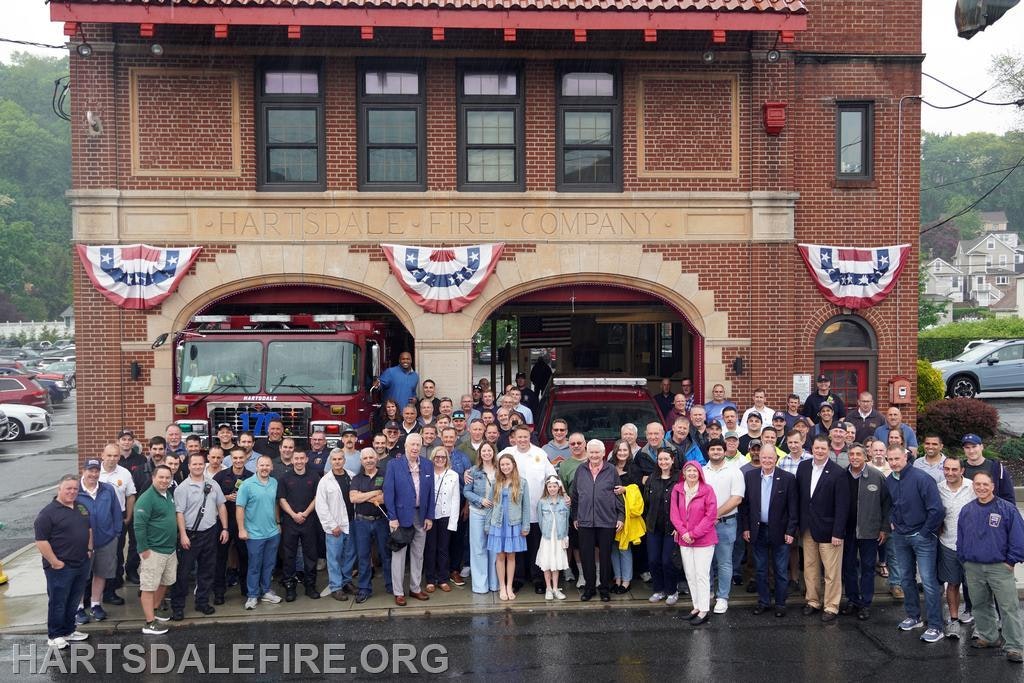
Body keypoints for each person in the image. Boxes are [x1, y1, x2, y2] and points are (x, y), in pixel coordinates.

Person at [957, 470, 1024, 663]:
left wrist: (1011, 560)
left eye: (985, 484)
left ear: (993, 486)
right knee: (979, 604)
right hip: (973, 567)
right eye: (977, 484)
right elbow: (961, 537)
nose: (981, 488)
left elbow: (1019, 537)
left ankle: (1015, 647)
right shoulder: (967, 509)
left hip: (999, 567)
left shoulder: (1007, 509)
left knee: (1008, 608)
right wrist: (964, 558)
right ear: (973, 486)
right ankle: (989, 636)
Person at [885, 444, 944, 643]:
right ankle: (913, 616)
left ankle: (936, 626)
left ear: (905, 457)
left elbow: (936, 510)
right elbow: (890, 505)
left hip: (922, 536)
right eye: (890, 459)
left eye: (896, 458)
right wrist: (893, 523)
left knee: (928, 581)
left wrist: (925, 533)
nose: (893, 462)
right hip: (900, 536)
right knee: (906, 578)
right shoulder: (889, 480)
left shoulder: (921, 479)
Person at [35, 475, 92, 650]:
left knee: (74, 600)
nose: (72, 492)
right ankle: (55, 635)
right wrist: (54, 561)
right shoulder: (47, 513)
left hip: (81, 562)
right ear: (59, 489)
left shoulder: (80, 507)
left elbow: (88, 529)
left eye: (75, 489)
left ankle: (69, 630)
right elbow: (41, 541)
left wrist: (89, 549)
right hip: (60, 567)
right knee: (58, 601)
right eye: (68, 488)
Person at [740, 446, 798, 617]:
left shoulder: (787, 478)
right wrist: (746, 528)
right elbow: (746, 506)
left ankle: (780, 603)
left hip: (780, 532)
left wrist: (790, 531)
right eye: (764, 457)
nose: (766, 461)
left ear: (776, 459)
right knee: (760, 569)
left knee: (780, 570)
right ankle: (764, 601)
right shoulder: (750, 477)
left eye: (770, 458)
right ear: (760, 457)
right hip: (758, 530)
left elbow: (793, 508)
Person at [796, 435, 849, 622]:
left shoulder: (838, 473)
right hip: (808, 528)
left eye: (823, 449)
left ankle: (831, 606)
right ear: (812, 449)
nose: (819, 452)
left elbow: (843, 506)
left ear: (828, 450)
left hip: (829, 530)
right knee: (810, 568)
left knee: (831, 571)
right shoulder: (803, 468)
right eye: (816, 448)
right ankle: (812, 601)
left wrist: (838, 532)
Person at [170, 452, 229, 620]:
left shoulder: (213, 484)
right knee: (183, 573)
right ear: (188, 466)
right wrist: (183, 535)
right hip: (190, 535)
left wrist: (224, 528)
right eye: (194, 464)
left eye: (200, 464)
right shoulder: (182, 488)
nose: (197, 467)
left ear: (205, 465)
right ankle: (178, 606)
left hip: (210, 532)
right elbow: (179, 513)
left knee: (207, 570)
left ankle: (202, 602)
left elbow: (221, 506)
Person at [501, 425, 556, 594]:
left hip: (536, 510)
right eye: (519, 437)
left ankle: (538, 578)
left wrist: (562, 494)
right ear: (513, 438)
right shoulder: (506, 454)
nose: (523, 440)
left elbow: (551, 476)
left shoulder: (539, 453)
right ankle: (517, 579)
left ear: (529, 436)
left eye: (525, 437)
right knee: (517, 547)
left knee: (536, 546)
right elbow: (492, 472)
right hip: (514, 512)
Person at [384, 433, 435, 606]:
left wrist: (429, 516)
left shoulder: (427, 465)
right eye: (412, 444)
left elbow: (430, 494)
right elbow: (389, 493)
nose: (415, 448)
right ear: (405, 446)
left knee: (418, 554)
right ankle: (398, 592)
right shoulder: (394, 464)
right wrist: (392, 517)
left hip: (421, 516)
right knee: (399, 555)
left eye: (417, 445)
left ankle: (415, 588)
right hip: (400, 517)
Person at [571, 439, 624, 602]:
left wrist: (620, 516)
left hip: (607, 520)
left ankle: (604, 589)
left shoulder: (611, 470)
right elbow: (575, 496)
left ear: (603, 453)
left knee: (605, 556)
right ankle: (589, 588)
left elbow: (618, 494)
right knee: (587, 556)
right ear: (587, 452)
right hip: (585, 520)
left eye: (597, 452)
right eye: (591, 452)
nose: (594, 455)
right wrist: (575, 516)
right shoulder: (580, 470)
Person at [842, 443, 890, 621]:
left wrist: (884, 528)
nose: (854, 457)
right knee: (848, 567)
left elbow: (886, 504)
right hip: (847, 531)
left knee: (868, 568)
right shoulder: (842, 476)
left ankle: (866, 603)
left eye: (858, 454)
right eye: (851, 454)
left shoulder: (877, 476)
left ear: (865, 456)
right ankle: (853, 600)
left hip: (869, 531)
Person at [75, 456, 123, 625]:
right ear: (83, 471)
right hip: (81, 544)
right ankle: (78, 607)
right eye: (90, 470)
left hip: (106, 541)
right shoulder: (75, 491)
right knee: (81, 576)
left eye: (96, 471)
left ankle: (96, 604)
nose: (93, 474)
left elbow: (116, 512)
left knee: (101, 573)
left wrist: (116, 533)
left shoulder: (108, 490)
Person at [671, 460, 718, 624]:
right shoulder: (677, 490)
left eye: (695, 471)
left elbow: (710, 516)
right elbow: (674, 515)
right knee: (690, 575)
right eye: (688, 470)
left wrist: (694, 533)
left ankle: (704, 610)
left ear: (700, 473)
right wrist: (684, 533)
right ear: (684, 473)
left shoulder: (707, 490)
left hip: (704, 540)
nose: (691, 473)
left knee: (701, 575)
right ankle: (696, 606)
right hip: (685, 540)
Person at [134, 464, 179, 635]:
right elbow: (139, 525)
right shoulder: (146, 498)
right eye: (161, 477)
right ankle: (149, 622)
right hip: (153, 551)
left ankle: (155, 610)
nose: (164, 480)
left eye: (167, 477)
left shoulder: (168, 495)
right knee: (148, 586)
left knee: (165, 582)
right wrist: (143, 549)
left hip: (169, 550)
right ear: (153, 478)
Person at [702, 438, 744, 614]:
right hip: (704, 525)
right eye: (713, 449)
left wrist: (715, 515)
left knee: (724, 562)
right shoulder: (702, 471)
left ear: (725, 451)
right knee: (706, 562)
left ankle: (722, 597)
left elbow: (737, 498)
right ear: (708, 452)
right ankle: (708, 592)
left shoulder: (734, 471)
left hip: (726, 523)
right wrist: (707, 519)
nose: (716, 452)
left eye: (719, 449)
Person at [936, 456, 976, 638]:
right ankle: (953, 621)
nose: (950, 473)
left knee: (976, 586)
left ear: (962, 470)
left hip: (972, 547)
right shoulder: (938, 489)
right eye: (947, 469)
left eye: (954, 469)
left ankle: (980, 622)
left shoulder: (973, 487)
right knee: (952, 584)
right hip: (948, 544)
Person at [237, 455, 283, 610]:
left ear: (271, 467)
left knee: (269, 564)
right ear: (256, 467)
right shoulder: (247, 485)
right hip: (254, 534)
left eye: (267, 465)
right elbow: (240, 508)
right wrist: (241, 529)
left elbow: (275, 504)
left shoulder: (274, 482)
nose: (264, 468)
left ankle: (266, 591)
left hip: (272, 532)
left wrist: (277, 523)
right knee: (255, 565)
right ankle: (252, 595)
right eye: (261, 465)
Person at [277, 449, 322, 601]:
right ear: (293, 460)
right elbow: (281, 499)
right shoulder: (284, 477)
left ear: (306, 459)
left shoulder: (314, 476)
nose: (299, 461)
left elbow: (317, 497)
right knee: (289, 555)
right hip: (290, 522)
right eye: (296, 458)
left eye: (301, 458)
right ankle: (290, 587)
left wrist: (305, 513)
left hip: (309, 521)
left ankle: (310, 586)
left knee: (310, 555)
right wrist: (293, 515)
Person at [487, 454, 531, 601]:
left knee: (511, 556)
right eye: (502, 465)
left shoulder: (522, 483)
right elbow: (490, 505)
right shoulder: (496, 483)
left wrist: (525, 526)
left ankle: (509, 585)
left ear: (513, 464)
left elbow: (526, 507)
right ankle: (502, 587)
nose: (505, 467)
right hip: (498, 523)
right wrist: (488, 525)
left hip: (513, 523)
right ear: (499, 467)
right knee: (500, 556)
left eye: (508, 464)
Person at [213, 446, 252, 603]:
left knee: (245, 557)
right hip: (224, 523)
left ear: (246, 458)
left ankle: (246, 589)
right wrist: (225, 497)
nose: (238, 461)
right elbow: (211, 498)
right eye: (235, 458)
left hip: (243, 523)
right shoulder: (220, 477)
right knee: (220, 558)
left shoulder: (251, 477)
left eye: (241, 458)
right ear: (230, 459)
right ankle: (219, 593)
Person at [315, 448, 353, 602]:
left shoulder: (351, 476)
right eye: (334, 459)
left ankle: (346, 582)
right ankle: (336, 587)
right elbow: (320, 505)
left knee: (349, 556)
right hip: (335, 526)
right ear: (330, 461)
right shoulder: (325, 481)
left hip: (350, 524)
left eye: (340, 459)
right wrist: (332, 525)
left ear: (344, 460)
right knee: (334, 558)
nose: (337, 462)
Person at [645, 448, 681, 605]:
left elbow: (683, 503)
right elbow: (646, 502)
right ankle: (658, 590)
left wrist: (679, 525)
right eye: (660, 459)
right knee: (653, 560)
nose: (663, 462)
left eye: (666, 459)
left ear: (672, 460)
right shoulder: (652, 478)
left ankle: (672, 591)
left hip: (672, 528)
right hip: (654, 527)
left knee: (668, 561)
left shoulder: (679, 478)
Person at [422, 447, 460, 593]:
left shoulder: (453, 475)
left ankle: (443, 579)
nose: (439, 459)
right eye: (437, 457)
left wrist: (453, 521)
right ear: (432, 458)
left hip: (446, 516)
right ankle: (430, 579)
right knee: (430, 549)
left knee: (443, 549)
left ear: (447, 459)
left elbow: (456, 499)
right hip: (430, 517)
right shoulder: (427, 474)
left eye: (443, 457)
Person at [464, 442, 500, 594]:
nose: (486, 453)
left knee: (494, 548)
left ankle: (494, 584)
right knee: (478, 548)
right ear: (480, 454)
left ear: (493, 452)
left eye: (489, 450)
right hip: (478, 512)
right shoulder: (473, 471)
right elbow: (466, 491)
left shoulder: (500, 470)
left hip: (495, 513)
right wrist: (480, 500)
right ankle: (480, 585)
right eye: (483, 451)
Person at [536, 474, 570, 600]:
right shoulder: (542, 502)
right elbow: (540, 520)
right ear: (546, 488)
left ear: (559, 487)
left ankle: (556, 588)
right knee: (547, 562)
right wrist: (545, 533)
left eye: (554, 486)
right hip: (547, 538)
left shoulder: (564, 502)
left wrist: (565, 536)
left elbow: (566, 520)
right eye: (549, 486)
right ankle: (548, 588)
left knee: (556, 562)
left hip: (559, 537)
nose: (552, 489)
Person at [962, 433, 1016, 503]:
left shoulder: (996, 467)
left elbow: (1008, 494)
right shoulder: (959, 469)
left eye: (974, 446)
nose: (971, 451)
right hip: (968, 511)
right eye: (967, 448)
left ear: (981, 447)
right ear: (963, 449)